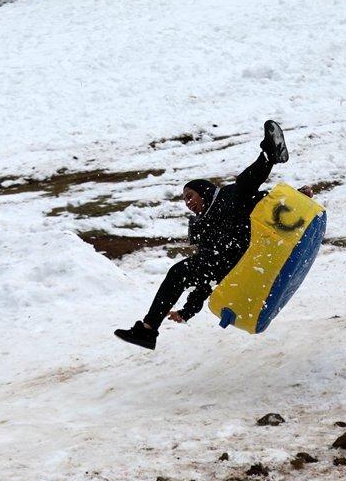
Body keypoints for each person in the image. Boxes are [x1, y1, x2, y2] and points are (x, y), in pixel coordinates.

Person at [115, 121, 290, 350]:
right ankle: (148, 331)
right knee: (179, 272)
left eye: (190, 196)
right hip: (228, 269)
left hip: (249, 255)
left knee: (243, 186)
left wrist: (299, 198)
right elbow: (206, 276)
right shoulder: (200, 228)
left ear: (204, 191)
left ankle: (269, 154)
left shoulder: (227, 197)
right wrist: (188, 311)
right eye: (184, 200)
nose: (188, 203)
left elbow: (267, 201)